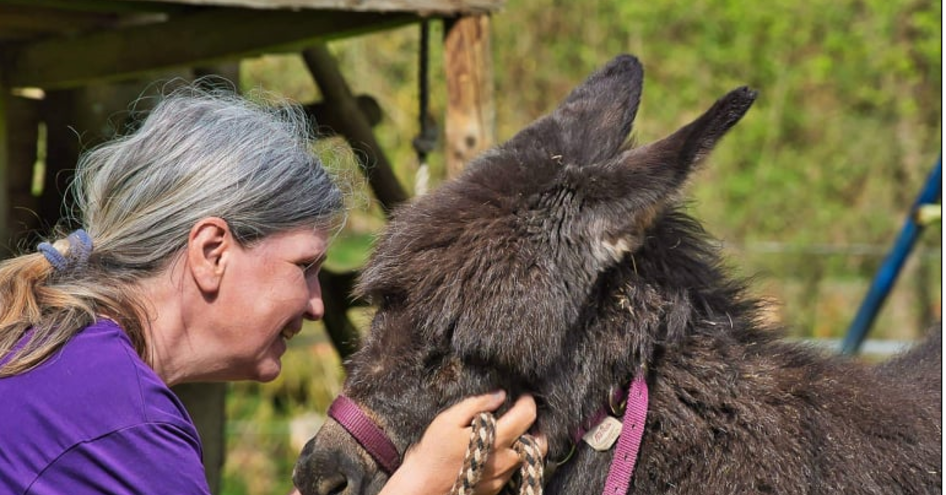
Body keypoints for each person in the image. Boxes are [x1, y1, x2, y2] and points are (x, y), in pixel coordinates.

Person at [0, 86, 542, 494]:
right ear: (212, 251)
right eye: (304, 265)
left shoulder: (56, 361)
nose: (315, 303)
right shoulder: (122, 427)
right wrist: (421, 484)